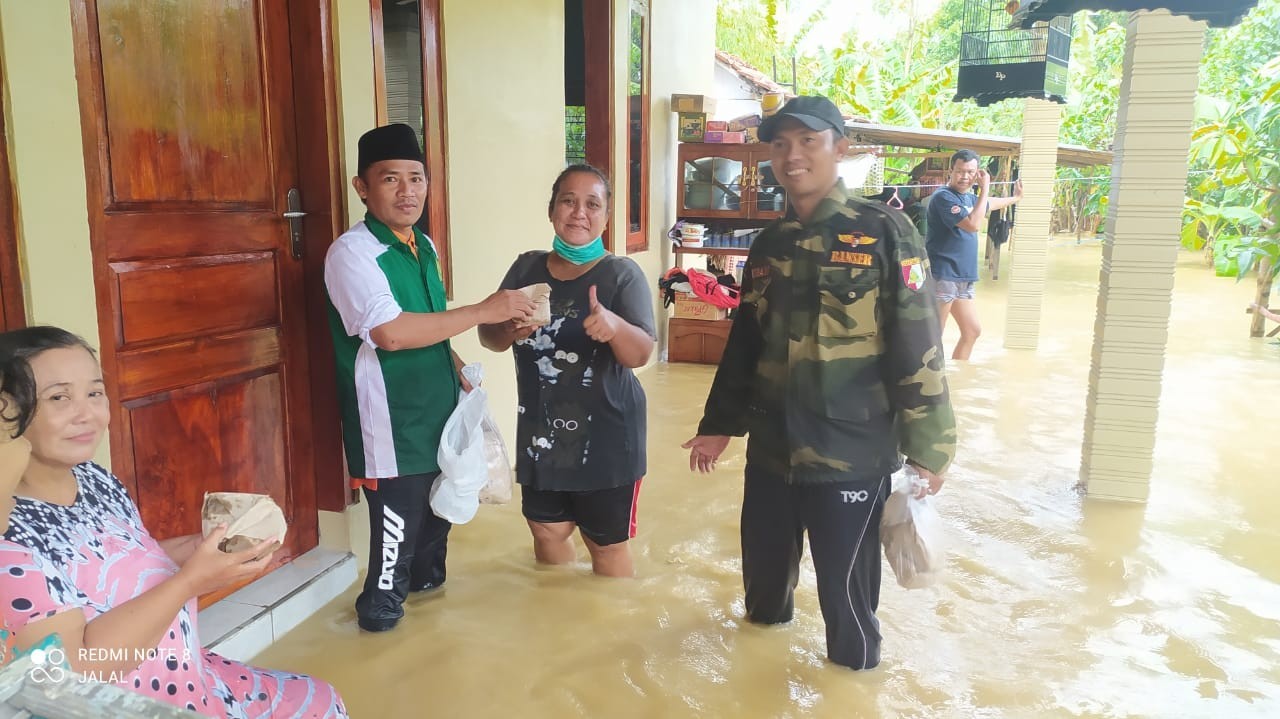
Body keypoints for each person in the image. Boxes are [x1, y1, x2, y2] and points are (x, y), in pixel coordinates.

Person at [681, 96, 956, 671]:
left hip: (849, 452)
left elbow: (919, 344)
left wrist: (930, 450)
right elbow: (745, 346)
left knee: (847, 606)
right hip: (772, 451)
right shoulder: (769, 244)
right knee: (761, 601)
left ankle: (852, 694)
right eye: (780, 143)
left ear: (841, 147)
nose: (792, 155)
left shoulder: (886, 230)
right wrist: (717, 427)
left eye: (808, 140)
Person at [0, 326, 347, 717]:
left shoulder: (94, 479)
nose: (87, 414)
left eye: (95, 393)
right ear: (7, 411)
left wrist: (212, 545)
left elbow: (125, 560)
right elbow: (77, 669)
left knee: (319, 700)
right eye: (59, 397)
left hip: (190, 681)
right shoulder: (9, 535)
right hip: (130, 706)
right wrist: (190, 582)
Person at [324, 123, 536, 632]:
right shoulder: (352, 254)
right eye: (390, 179)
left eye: (416, 178)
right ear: (362, 188)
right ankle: (378, 652)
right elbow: (391, 334)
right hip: (391, 428)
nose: (407, 191)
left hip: (438, 415)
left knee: (430, 563)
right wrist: (484, 310)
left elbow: (431, 324)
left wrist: (459, 368)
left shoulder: (422, 245)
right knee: (388, 582)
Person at [478, 165, 655, 577]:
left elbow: (641, 352)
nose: (579, 213)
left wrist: (614, 328)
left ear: (606, 218)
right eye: (568, 201)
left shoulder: (620, 275)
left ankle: (610, 635)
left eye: (592, 204)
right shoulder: (526, 269)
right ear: (551, 210)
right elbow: (490, 335)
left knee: (605, 545)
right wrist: (509, 327)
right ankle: (556, 628)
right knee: (546, 531)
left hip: (608, 440)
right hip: (542, 434)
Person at [925, 148, 1023, 360]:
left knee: (971, 331)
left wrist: (1015, 198)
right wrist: (984, 189)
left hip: (963, 277)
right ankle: (927, 386)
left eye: (971, 172)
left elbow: (991, 204)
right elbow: (973, 224)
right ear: (951, 171)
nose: (965, 176)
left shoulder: (969, 199)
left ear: (977, 173)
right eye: (961, 171)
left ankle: (956, 377)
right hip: (944, 275)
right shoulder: (944, 197)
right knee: (933, 336)